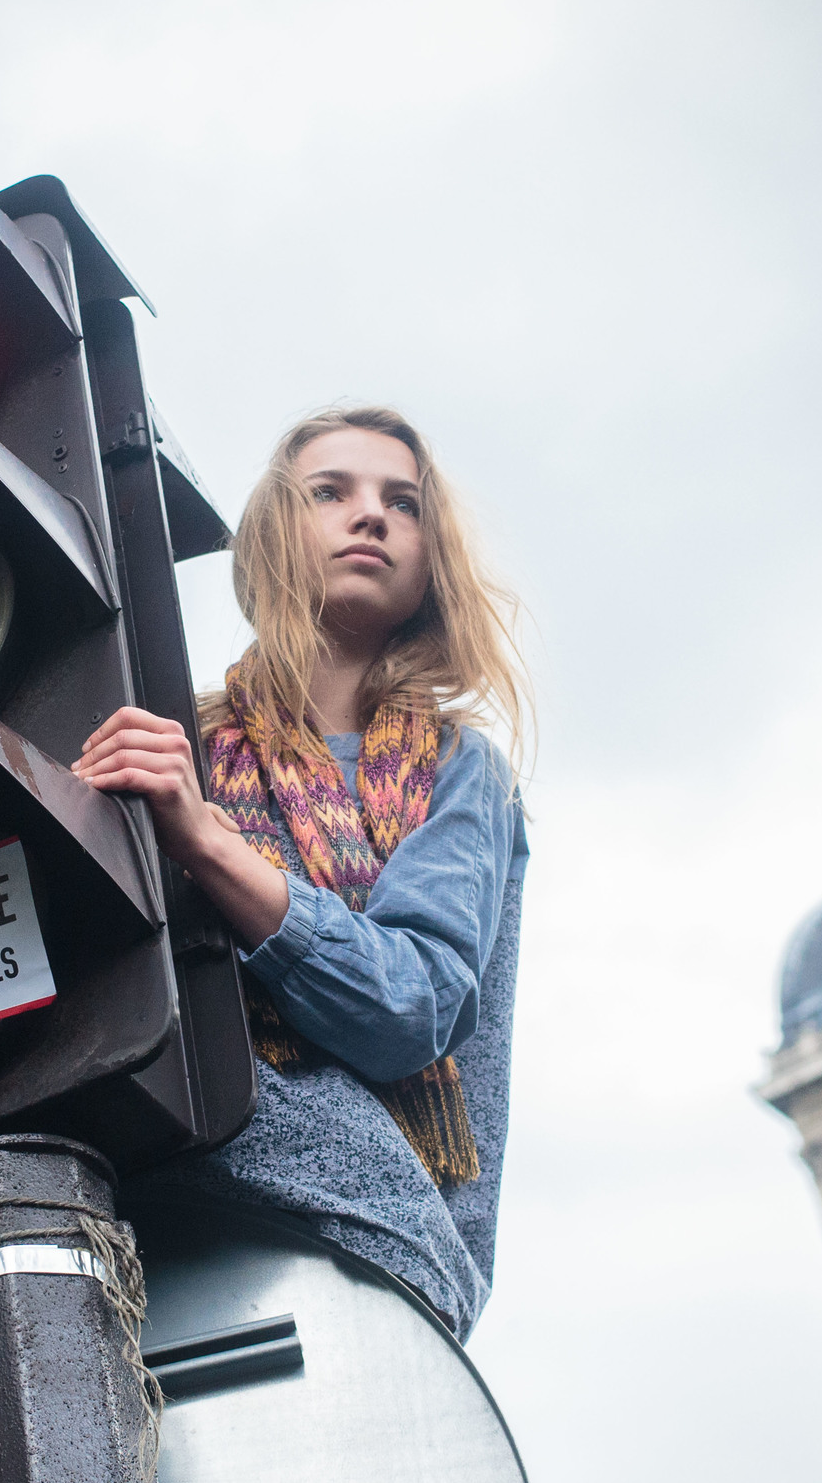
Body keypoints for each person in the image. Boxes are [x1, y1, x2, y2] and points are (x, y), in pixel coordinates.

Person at [72, 406, 529, 1341]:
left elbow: (410, 1006)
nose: (372, 516)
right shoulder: (174, 743)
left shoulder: (460, 770)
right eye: (332, 492)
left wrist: (206, 843)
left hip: (387, 1232)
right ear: (276, 529)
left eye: (404, 502)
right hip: (166, 1226)